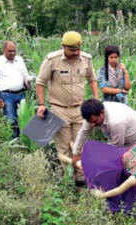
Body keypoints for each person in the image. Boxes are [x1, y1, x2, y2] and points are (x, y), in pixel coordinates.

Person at [35, 31, 99, 183]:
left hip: (79, 109)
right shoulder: (52, 60)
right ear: (63, 46)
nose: (76, 53)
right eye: (72, 50)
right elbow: (40, 82)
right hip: (59, 109)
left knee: (79, 145)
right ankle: (66, 177)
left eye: (77, 49)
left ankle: (80, 177)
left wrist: (96, 100)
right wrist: (42, 104)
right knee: (63, 146)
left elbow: (92, 79)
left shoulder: (86, 59)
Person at [0, 41, 31, 138]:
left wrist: (30, 86)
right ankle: (14, 144)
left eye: (14, 51)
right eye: (9, 51)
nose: (12, 53)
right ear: (4, 50)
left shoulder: (19, 60)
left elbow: (25, 75)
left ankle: (25, 141)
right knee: (11, 120)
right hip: (7, 95)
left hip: (21, 94)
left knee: (24, 119)